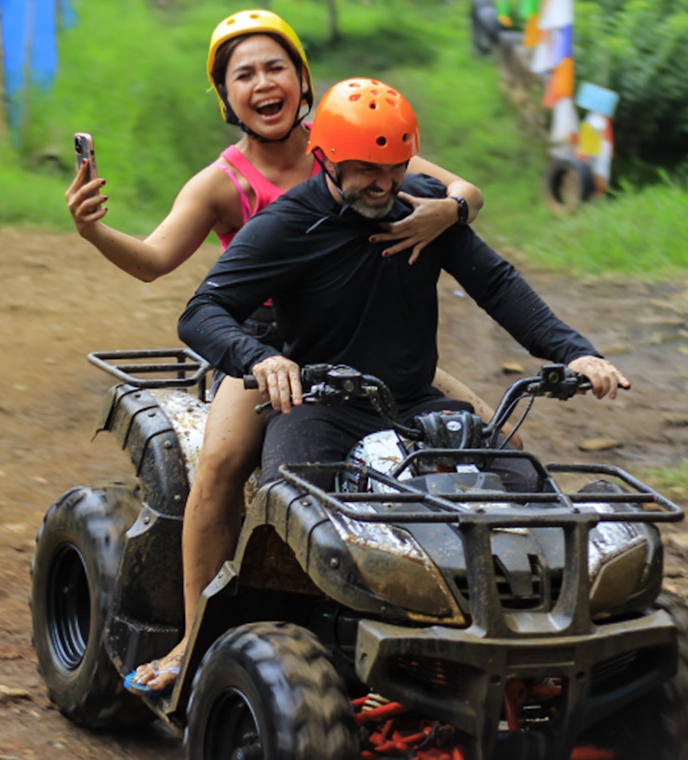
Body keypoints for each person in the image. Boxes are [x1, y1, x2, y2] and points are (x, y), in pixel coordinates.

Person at [65, 10, 492, 695]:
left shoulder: (353, 138)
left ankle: (464, 602)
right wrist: (94, 232)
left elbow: (459, 187)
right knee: (221, 465)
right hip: (264, 350)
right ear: (226, 97)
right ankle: (192, 638)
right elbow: (153, 262)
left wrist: (451, 211)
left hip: (362, 337)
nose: (263, 83)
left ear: (301, 81)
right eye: (244, 75)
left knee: (478, 425)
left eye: (275, 68)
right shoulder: (220, 182)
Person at [178, 77, 629, 492]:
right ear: (326, 158)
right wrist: (260, 359)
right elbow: (201, 312)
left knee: (529, 490)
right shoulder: (287, 226)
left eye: (395, 167)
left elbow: (496, 284)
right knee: (293, 509)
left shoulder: (422, 208)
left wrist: (575, 352)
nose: (384, 184)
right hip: (318, 409)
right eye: (366, 169)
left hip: (415, 403)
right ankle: (210, 582)